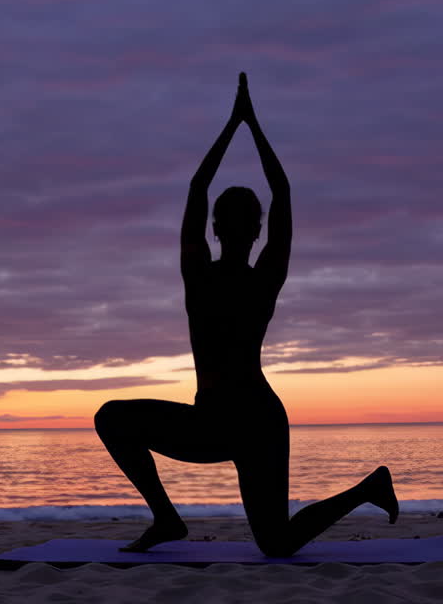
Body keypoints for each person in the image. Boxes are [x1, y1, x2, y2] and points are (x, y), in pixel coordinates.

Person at [94, 72, 399, 557]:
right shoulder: (263, 277)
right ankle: (170, 521)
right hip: (240, 420)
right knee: (276, 544)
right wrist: (251, 125)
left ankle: (365, 490)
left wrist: (236, 123)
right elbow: (282, 192)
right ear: (257, 231)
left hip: (236, 422)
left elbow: (200, 186)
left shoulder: (201, 274)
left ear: (216, 228)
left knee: (112, 417)